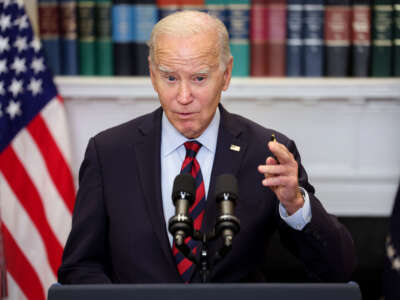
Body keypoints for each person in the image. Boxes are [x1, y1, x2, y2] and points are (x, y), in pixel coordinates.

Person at [58, 11, 356, 284]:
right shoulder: (109, 152)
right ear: (152, 74)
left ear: (225, 75)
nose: (183, 96)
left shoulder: (267, 153)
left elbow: (338, 270)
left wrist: (296, 205)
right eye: (170, 78)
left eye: (199, 78)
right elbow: (79, 268)